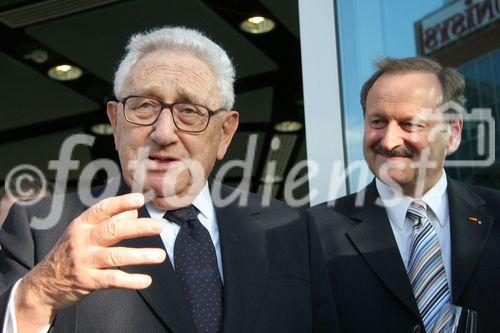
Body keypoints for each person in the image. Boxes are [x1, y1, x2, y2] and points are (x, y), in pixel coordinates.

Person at [0, 27, 338, 333]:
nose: (163, 133)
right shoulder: (43, 229)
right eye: (144, 106)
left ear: (225, 133)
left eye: (190, 111)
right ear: (116, 122)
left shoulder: (289, 229)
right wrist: (37, 296)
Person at [309, 57, 500, 333]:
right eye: (378, 122)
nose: (388, 140)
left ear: (453, 133)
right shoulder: (315, 232)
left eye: (410, 124)